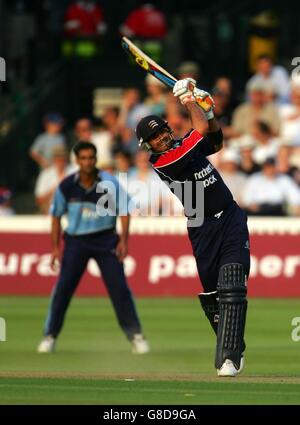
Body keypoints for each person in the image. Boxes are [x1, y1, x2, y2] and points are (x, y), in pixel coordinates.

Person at [136, 78, 250, 377]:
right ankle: (233, 344)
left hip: (230, 217)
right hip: (201, 227)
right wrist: (189, 100)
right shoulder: (164, 161)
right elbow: (198, 132)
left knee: (233, 283)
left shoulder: (185, 145)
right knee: (214, 295)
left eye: (162, 132)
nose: (160, 139)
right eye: (155, 138)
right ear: (149, 146)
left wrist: (208, 112)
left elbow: (214, 140)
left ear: (167, 130)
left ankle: (228, 358)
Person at [37, 141, 149, 355]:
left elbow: (124, 211)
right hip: (76, 242)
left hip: (105, 240)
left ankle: (136, 336)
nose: (88, 162)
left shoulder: (110, 183)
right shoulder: (67, 185)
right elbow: (56, 215)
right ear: (77, 160)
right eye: (83, 158)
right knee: (63, 290)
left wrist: (124, 241)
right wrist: (54, 248)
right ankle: (50, 336)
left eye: (91, 158)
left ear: (95, 159)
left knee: (119, 289)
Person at [34, 146, 75, 214]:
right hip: (51, 211)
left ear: (66, 158)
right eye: (58, 158)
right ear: (54, 159)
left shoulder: (74, 171)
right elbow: (39, 200)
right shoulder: (46, 174)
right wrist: (56, 187)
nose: (60, 161)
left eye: (62, 158)